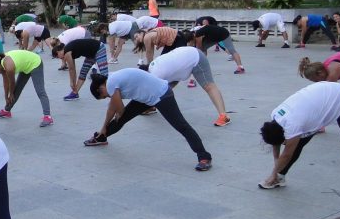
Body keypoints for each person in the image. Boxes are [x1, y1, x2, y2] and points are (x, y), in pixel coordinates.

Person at [258, 82, 340, 213]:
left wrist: (272, 173)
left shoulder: (293, 124)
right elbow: (277, 144)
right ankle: (279, 177)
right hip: (321, 104)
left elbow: (286, 154)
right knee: (299, 142)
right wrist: (276, 168)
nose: (282, 144)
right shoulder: (276, 116)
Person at [85, 69, 213, 171]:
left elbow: (119, 109)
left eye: (105, 96)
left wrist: (114, 116)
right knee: (120, 119)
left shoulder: (111, 83)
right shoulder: (111, 79)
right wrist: (104, 126)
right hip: (146, 98)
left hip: (162, 95)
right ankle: (102, 137)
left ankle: (204, 157)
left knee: (181, 126)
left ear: (100, 89)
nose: (107, 97)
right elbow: (112, 109)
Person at [148, 46, 231, 126]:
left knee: (208, 86)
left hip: (195, 58)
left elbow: (152, 94)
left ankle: (224, 116)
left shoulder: (155, 74)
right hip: (180, 64)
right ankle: (150, 107)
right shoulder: (153, 69)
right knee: (166, 88)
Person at [0, 51, 53, 127]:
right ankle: (7, 111)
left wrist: (10, 94)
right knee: (16, 91)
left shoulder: (9, 67)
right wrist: (6, 97)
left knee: (40, 91)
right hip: (25, 65)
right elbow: (6, 83)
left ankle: (48, 117)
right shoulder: (2, 66)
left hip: (35, 63)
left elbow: (12, 83)